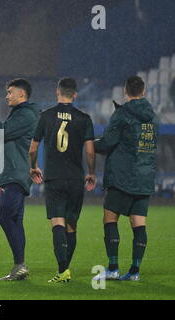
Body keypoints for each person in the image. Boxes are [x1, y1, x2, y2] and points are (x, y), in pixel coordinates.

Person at [29, 78, 96, 283]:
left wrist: (33, 167)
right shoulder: (84, 118)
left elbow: (33, 148)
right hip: (75, 178)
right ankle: (65, 269)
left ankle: (63, 270)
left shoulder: (46, 116)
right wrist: (91, 173)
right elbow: (91, 152)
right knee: (72, 225)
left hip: (54, 177)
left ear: (57, 92)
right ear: (75, 95)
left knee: (57, 222)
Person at [94, 76, 157, 281]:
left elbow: (107, 144)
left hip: (122, 177)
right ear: (144, 92)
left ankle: (113, 268)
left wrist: (89, 143)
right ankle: (135, 272)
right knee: (139, 223)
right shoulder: (152, 117)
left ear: (125, 91)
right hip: (144, 177)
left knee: (110, 219)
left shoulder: (122, 114)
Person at [0, 78, 39, 281]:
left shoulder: (26, 114)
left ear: (22, 94)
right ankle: (19, 266)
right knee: (14, 219)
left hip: (15, 173)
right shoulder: (23, 114)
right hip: (16, 172)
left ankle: (20, 264)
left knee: (4, 216)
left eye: (10, 92)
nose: (6, 96)